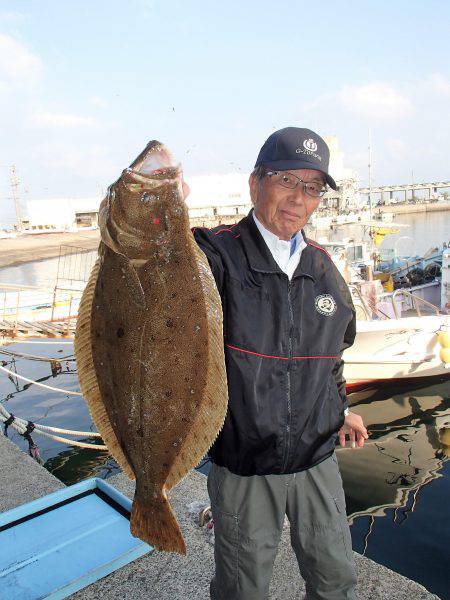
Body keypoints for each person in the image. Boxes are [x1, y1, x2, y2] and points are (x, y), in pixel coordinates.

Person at [191, 127, 368, 600]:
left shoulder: (325, 268)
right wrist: (155, 214)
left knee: (336, 581)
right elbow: (156, 278)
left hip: (317, 460)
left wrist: (341, 408)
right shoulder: (215, 256)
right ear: (255, 184)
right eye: (286, 179)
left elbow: (332, 358)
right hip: (245, 466)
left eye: (312, 187)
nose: (298, 198)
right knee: (242, 588)